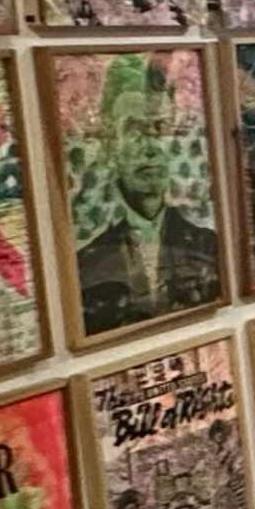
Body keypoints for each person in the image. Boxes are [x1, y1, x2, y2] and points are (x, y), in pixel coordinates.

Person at [75, 54, 220, 328]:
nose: (150, 147)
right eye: (133, 131)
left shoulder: (209, 246)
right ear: (109, 146)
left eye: (158, 128)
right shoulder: (85, 265)